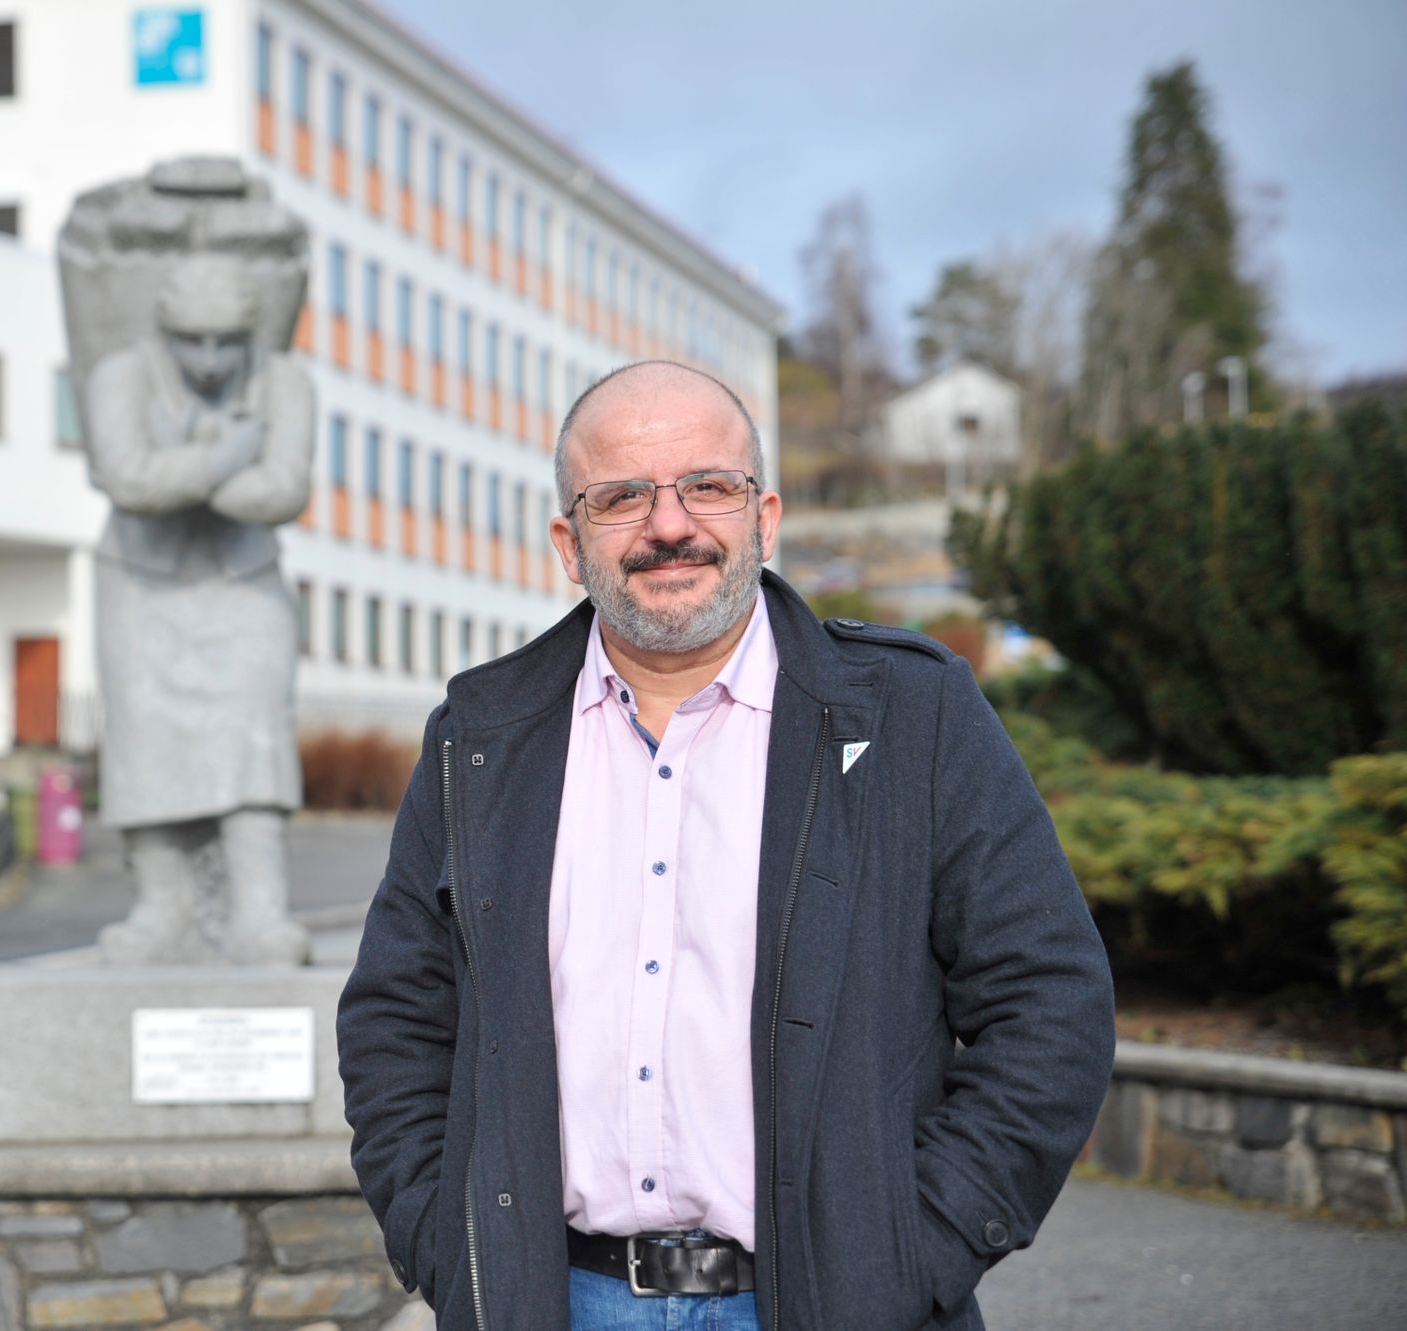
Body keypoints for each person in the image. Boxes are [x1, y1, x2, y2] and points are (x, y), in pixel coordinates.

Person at [337, 361, 1114, 1330]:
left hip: (840, 1302)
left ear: (764, 514)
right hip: (559, 1301)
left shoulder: (910, 713)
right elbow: (396, 1021)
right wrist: (441, 1240)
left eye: (706, 484)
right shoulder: (480, 734)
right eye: (619, 495)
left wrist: (913, 1245)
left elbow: (1047, 998)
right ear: (566, 542)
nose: (669, 525)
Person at [84, 252, 315, 965]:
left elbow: (282, 492)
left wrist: (179, 472)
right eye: (193, 339)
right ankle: (162, 907)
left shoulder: (284, 381)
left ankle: (259, 910)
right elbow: (125, 478)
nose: (211, 359)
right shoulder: (118, 376)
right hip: (143, 580)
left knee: (255, 732)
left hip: (244, 579)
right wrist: (223, 460)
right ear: (165, 328)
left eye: (226, 340)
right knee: (145, 736)